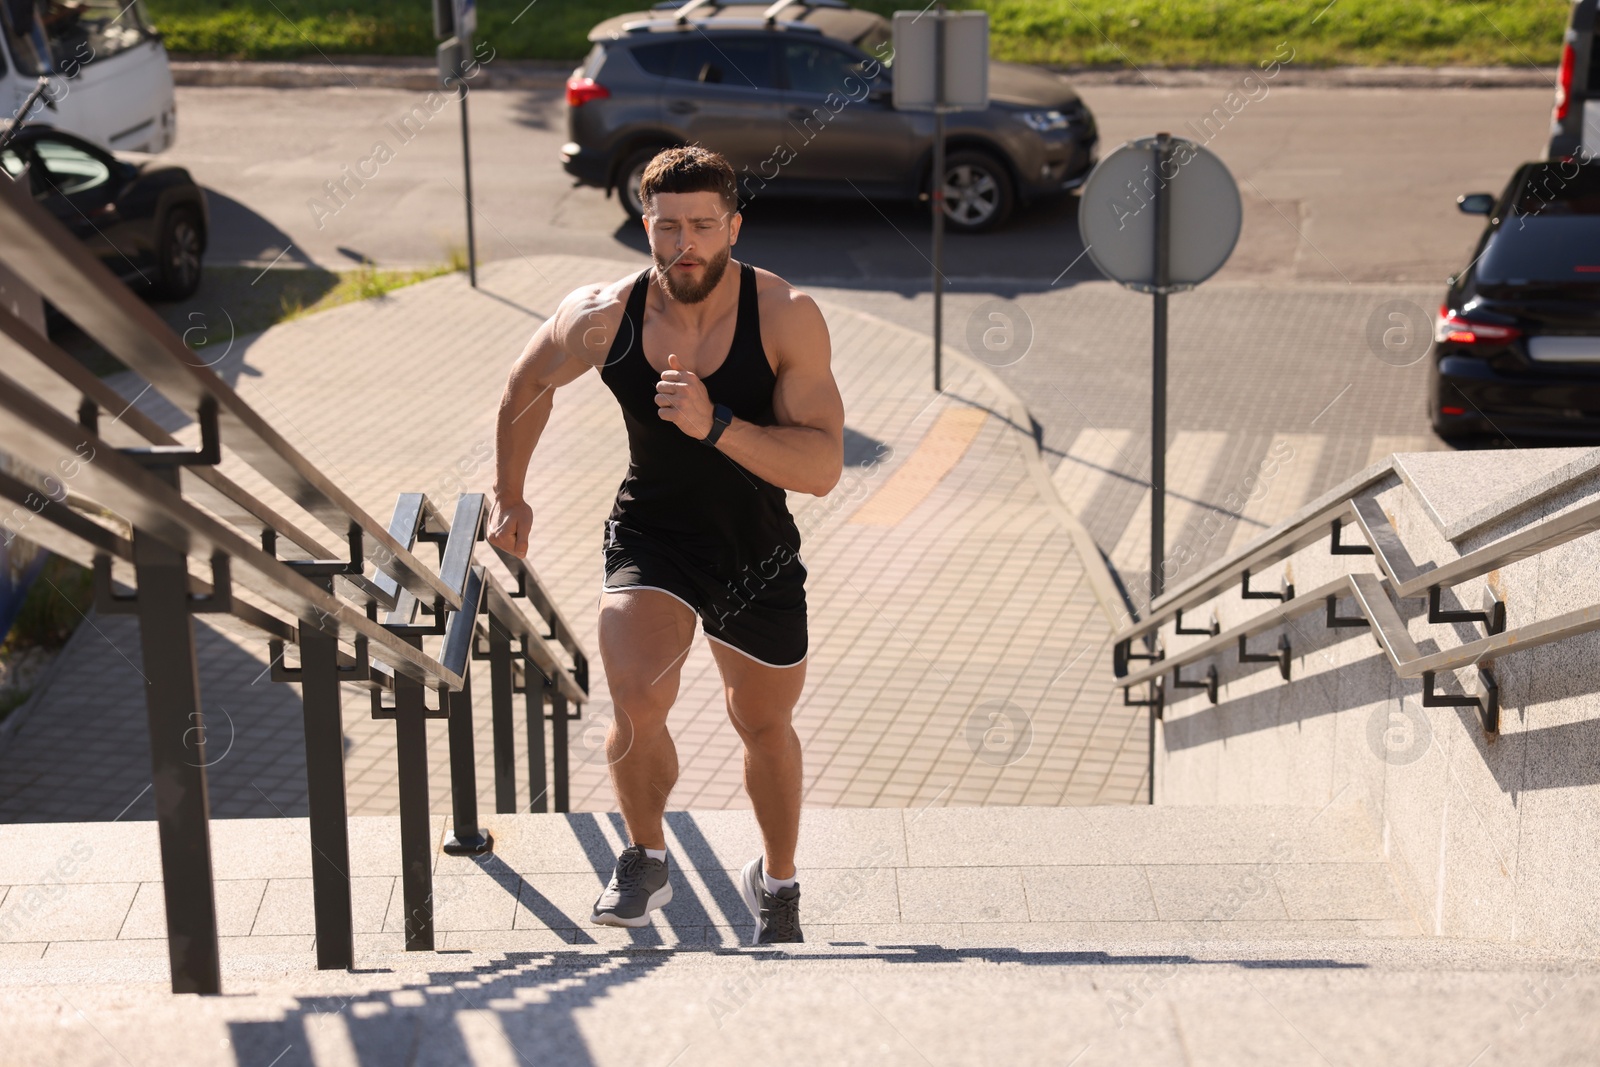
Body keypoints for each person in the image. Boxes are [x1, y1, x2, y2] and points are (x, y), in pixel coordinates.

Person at [487, 146, 844, 944]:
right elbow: (526, 384)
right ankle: (646, 852)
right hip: (651, 533)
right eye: (669, 224)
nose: (686, 242)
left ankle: (776, 878)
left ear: (733, 227)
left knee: (762, 724)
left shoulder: (786, 314)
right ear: (645, 225)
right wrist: (510, 492)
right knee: (637, 696)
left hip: (757, 549)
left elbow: (822, 468)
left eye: (704, 226)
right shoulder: (604, 313)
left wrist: (715, 424)